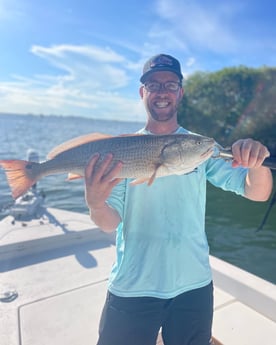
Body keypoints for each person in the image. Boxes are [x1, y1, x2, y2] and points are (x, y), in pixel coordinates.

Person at [84, 54, 273, 345]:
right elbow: (110, 223)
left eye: (171, 84)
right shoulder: (121, 151)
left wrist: (257, 161)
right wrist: (96, 203)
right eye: (153, 84)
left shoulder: (200, 147)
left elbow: (257, 193)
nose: (162, 92)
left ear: (180, 92)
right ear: (142, 92)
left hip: (193, 287)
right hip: (133, 285)